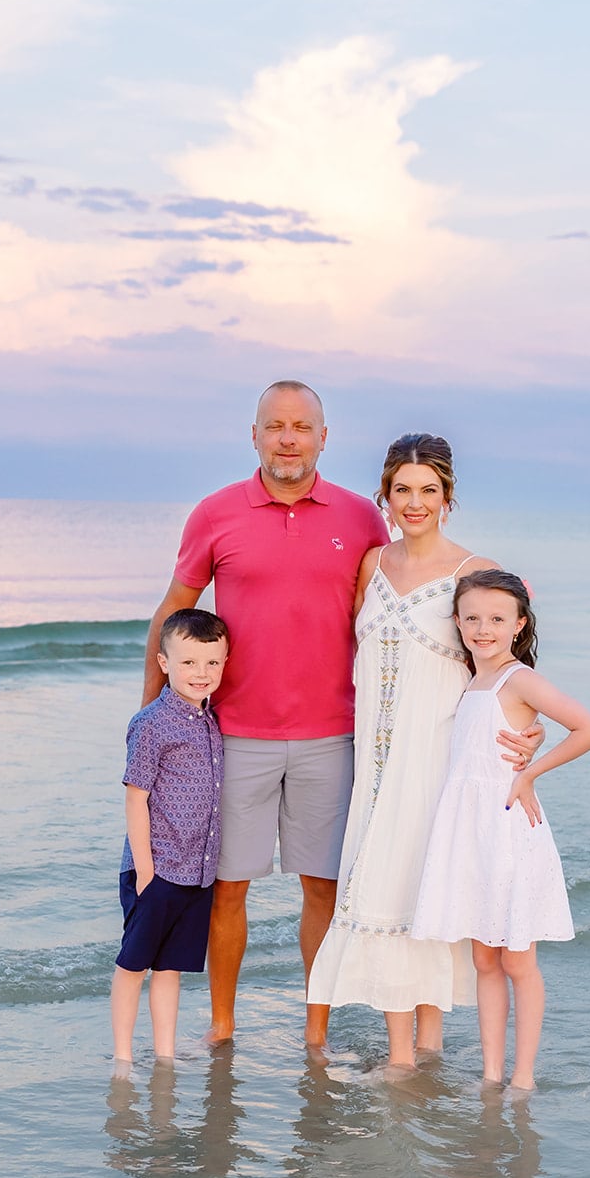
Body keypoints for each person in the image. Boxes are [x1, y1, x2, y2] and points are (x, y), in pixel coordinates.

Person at [141, 382, 389, 1045]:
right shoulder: (215, 513)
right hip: (232, 736)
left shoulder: (362, 517)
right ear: (253, 435)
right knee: (227, 888)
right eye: (274, 426)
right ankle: (222, 1026)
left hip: (332, 735)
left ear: (323, 437)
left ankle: (316, 1028)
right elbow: (172, 614)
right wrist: (153, 718)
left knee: (322, 888)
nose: (288, 438)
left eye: (301, 426)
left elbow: (392, 614)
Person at [306, 434, 542, 1069]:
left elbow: (512, 668)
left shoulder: (475, 572)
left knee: (422, 891)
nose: (415, 503)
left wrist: (531, 736)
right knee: (385, 886)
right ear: (385, 495)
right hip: (376, 764)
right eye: (402, 489)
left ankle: (419, 1054)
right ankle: (407, 1053)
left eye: (428, 491)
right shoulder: (372, 566)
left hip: (441, 763)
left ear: (448, 497)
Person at [411, 571, 590, 1091]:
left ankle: (523, 1076)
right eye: (472, 617)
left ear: (519, 625)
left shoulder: (518, 679)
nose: (483, 629)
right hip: (470, 829)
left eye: (497, 619)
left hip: (506, 825)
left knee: (518, 959)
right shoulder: (470, 678)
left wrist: (530, 772)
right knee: (484, 958)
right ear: (457, 621)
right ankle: (491, 1072)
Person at [111, 608, 229, 1066]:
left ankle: (164, 1055)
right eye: (188, 663)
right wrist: (145, 871)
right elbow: (135, 799)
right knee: (132, 966)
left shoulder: (210, 719)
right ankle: (123, 1058)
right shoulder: (151, 723)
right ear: (164, 663)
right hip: (156, 870)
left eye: (212, 663)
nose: (201, 674)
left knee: (171, 968)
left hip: (197, 873)